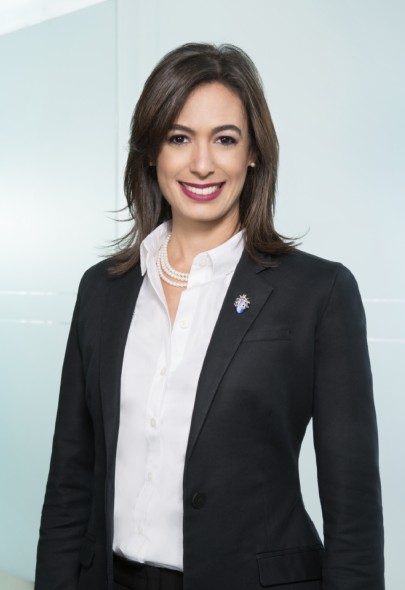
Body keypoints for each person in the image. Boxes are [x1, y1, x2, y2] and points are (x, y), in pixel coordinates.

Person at [35, 43, 384, 590]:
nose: (202, 163)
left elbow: (354, 513)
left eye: (225, 139)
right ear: (151, 151)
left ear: (253, 153)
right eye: (179, 138)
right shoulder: (101, 291)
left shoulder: (319, 293)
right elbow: (68, 484)